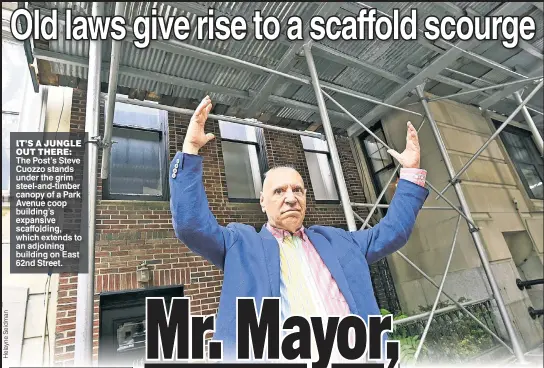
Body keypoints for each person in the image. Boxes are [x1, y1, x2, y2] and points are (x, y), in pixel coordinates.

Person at [169, 96, 429, 362]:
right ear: (262, 201)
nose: (291, 198)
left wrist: (409, 174)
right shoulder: (240, 245)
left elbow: (392, 232)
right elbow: (191, 226)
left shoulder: (337, 241)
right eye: (279, 191)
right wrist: (190, 149)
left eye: (298, 190)